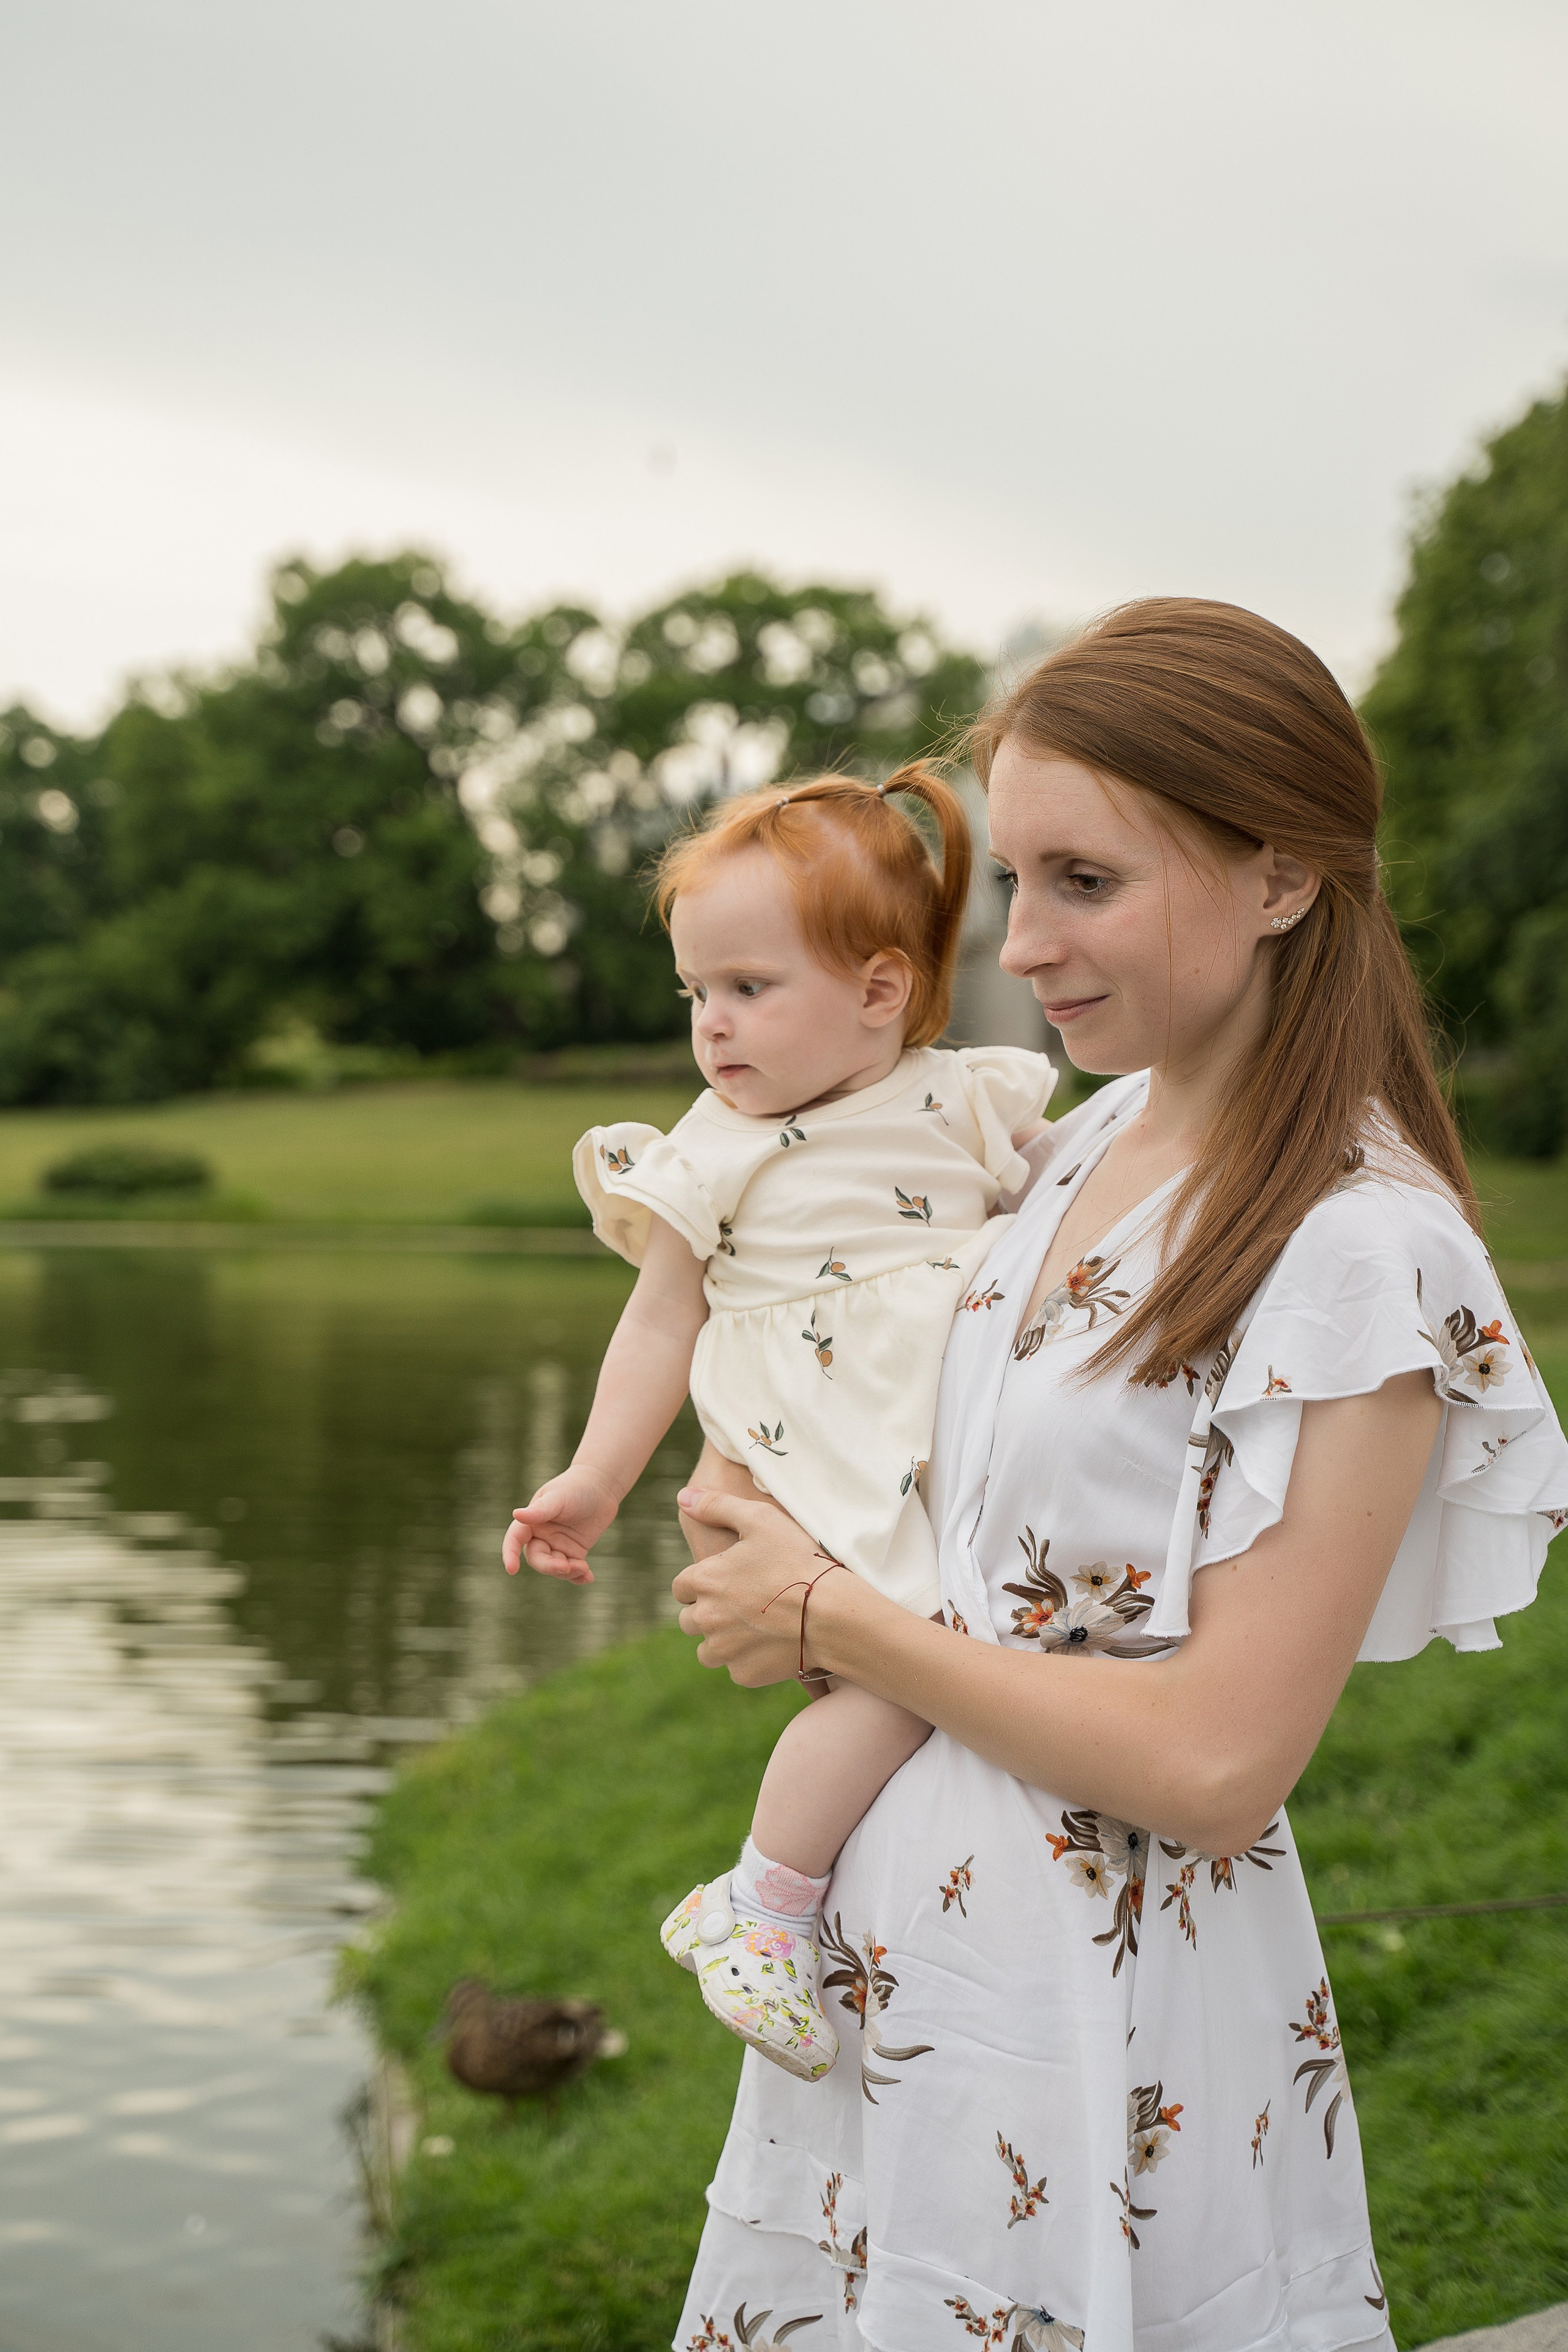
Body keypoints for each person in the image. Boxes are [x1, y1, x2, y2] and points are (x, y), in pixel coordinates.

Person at [667, 598, 1568, 2352]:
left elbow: (1222, 1764)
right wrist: (773, 1497)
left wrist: (834, 1621)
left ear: (1286, 877)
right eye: (1015, 883)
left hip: (1111, 2007)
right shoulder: (1073, 1143)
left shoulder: (1361, 1249)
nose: (1028, 943)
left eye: (1088, 882)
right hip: (897, 1976)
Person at [503, 766, 1054, 2078]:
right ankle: (764, 1898)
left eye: (747, 989)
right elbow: (655, 1325)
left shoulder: (969, 1100)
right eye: (696, 993)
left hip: (938, 1456)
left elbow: (1075, 1229)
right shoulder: (714, 1146)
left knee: (944, 1684)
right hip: (810, 1452)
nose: (711, 1026)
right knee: (896, 1678)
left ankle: (823, 1905)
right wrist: (592, 1480)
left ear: (877, 990)